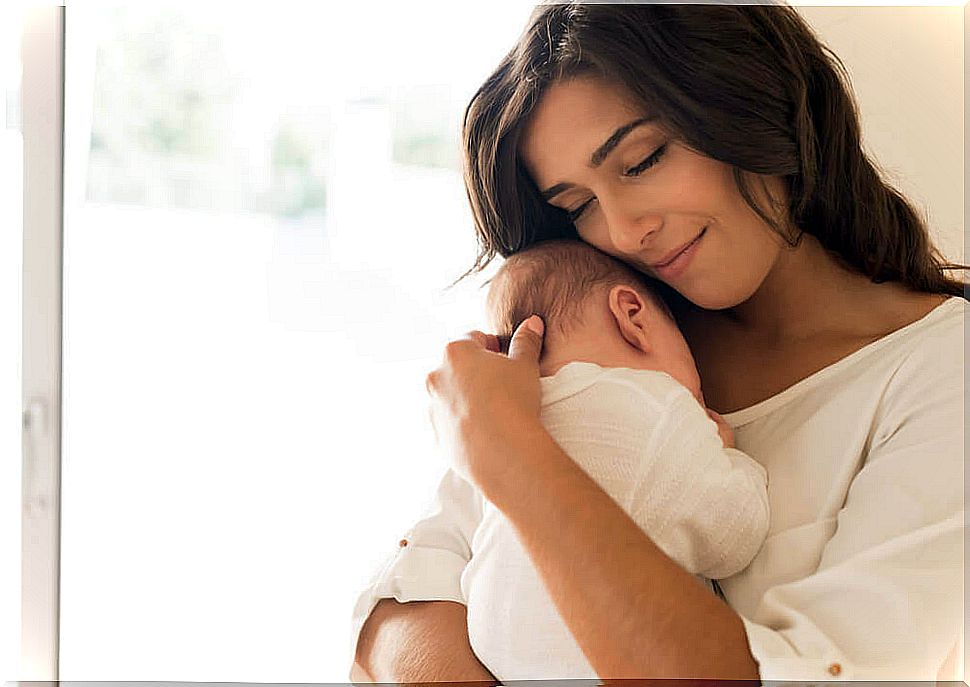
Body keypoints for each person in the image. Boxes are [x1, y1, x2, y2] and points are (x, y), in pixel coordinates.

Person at [351, 3, 966, 682]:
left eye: (640, 162)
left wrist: (514, 456)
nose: (621, 230)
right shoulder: (605, 340)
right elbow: (401, 610)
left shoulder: (941, 373)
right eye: (576, 206)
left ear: (746, 100)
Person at [462, 239, 769, 679]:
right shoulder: (657, 406)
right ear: (632, 315)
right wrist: (730, 456)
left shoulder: (505, 425)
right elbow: (733, 539)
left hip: (496, 660)